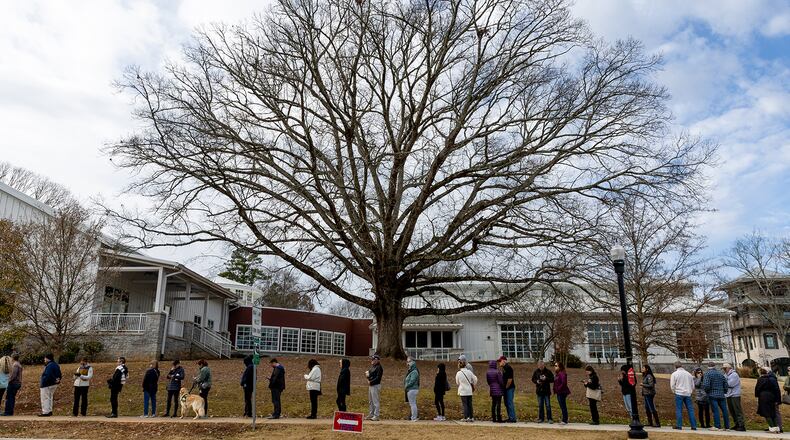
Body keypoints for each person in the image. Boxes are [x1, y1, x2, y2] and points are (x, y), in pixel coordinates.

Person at [702, 362, 729, 430]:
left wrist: (707, 392)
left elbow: (706, 385)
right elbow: (726, 384)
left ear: (708, 367)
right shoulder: (720, 374)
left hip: (712, 394)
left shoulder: (707, 374)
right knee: (724, 410)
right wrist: (724, 391)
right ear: (714, 366)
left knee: (715, 410)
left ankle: (717, 426)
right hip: (721, 394)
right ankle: (727, 426)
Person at [669, 361, 696, 430]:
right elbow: (693, 385)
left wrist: (674, 391)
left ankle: (679, 425)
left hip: (679, 393)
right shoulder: (688, 374)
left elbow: (672, 385)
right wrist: (690, 391)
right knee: (690, 410)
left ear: (675, 366)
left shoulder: (674, 374)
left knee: (679, 409)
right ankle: (693, 426)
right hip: (687, 394)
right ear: (682, 366)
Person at [755, 367, 782, 433]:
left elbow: (757, 389)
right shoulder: (771, 379)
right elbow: (776, 389)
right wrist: (777, 399)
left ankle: (772, 427)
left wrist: (757, 395)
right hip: (771, 396)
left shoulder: (761, 379)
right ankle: (776, 427)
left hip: (763, 396)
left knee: (766, 413)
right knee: (772, 412)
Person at [723, 363, 746, 431]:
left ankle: (741, 425)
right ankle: (736, 424)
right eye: (723, 368)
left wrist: (724, 383)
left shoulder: (734, 375)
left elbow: (730, 384)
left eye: (725, 368)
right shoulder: (725, 375)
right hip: (728, 394)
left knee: (737, 410)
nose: (724, 370)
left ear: (729, 368)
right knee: (732, 411)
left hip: (735, 395)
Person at [498, 356, 516, 423]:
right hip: (506, 388)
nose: (499, 362)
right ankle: (510, 417)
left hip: (509, 388)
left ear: (504, 361)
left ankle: (512, 418)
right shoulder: (503, 368)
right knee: (506, 403)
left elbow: (510, 380)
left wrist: (506, 388)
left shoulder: (508, 368)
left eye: (500, 361)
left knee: (509, 402)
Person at [365, 354, 383, 421]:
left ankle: (376, 415)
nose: (371, 360)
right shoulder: (373, 367)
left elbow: (378, 378)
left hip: (375, 385)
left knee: (375, 401)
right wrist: (367, 376)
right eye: (371, 359)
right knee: (371, 401)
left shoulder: (379, 367)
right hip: (371, 385)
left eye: (373, 359)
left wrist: (371, 381)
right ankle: (371, 414)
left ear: (377, 360)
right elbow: (370, 375)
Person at [404, 357, 420, 421]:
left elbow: (412, 381)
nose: (408, 363)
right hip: (411, 389)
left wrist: (406, 386)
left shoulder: (414, 371)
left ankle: (414, 417)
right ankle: (413, 417)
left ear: (413, 362)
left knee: (413, 404)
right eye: (407, 361)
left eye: (409, 361)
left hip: (412, 389)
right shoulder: (411, 371)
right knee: (412, 404)